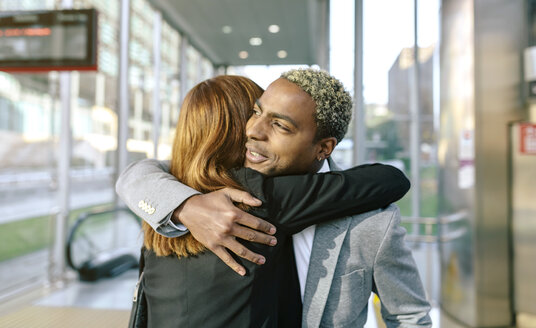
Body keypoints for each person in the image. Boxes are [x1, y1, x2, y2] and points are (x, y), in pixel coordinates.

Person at [117, 69, 432, 327]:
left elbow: (408, 316)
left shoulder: (371, 221)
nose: (254, 130)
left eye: (279, 124)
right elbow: (391, 179)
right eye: (254, 113)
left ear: (324, 146)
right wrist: (186, 203)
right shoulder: (247, 197)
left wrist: (183, 205)